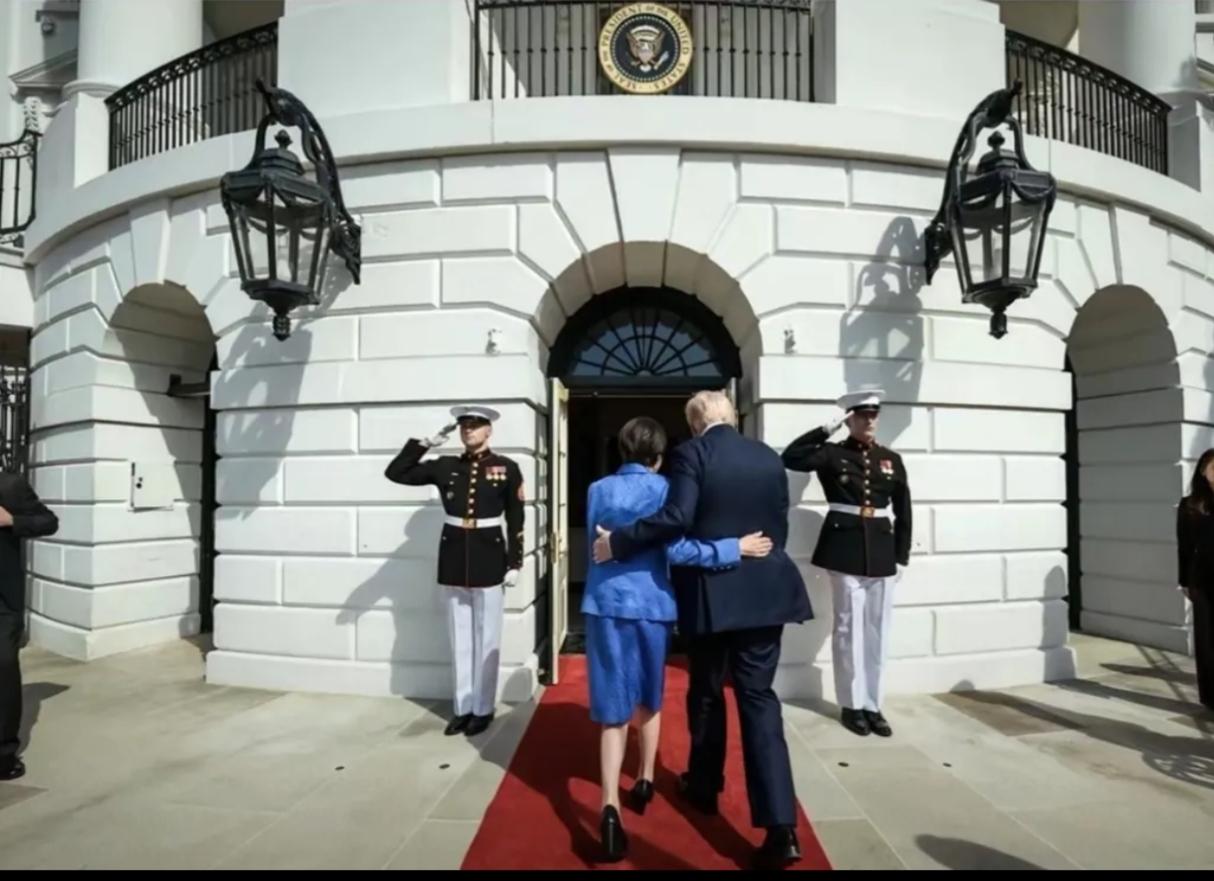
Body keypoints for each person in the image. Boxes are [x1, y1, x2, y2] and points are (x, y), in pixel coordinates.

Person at [592, 391, 811, 870]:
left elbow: (677, 518)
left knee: (708, 692)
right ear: (731, 415)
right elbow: (780, 523)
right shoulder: (768, 456)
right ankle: (781, 829)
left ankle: (705, 787)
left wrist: (620, 542)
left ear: (694, 425)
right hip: (767, 591)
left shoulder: (692, 454)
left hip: (713, 595)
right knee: (758, 699)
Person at [384, 404, 524, 738]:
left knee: (486, 636)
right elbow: (396, 473)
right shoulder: (445, 465)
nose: (468, 431)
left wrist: (515, 561)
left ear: (489, 431)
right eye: (464, 426)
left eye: (475, 426)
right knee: (459, 637)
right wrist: (425, 443)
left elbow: (516, 517)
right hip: (453, 555)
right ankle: (462, 707)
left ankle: (483, 708)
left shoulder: (506, 467)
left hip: (489, 556)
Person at [780, 388, 912, 739]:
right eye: (862, 415)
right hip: (844, 549)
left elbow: (904, 510)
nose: (870, 420)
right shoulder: (832, 454)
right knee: (847, 630)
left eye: (874, 415)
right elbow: (791, 457)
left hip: (882, 550)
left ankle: (873, 704)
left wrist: (901, 556)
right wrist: (826, 429)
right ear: (850, 418)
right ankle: (852, 705)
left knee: (877, 632)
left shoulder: (891, 459)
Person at [1, 470, 60, 782]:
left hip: (1, 602)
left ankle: (3, 755)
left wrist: (11, 521)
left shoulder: (9, 486)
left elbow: (48, 522)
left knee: (4, 667)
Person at [1177, 448, 1214, 711]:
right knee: (1206, 639)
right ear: (1203, 471)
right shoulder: (1190, 504)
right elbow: (1183, 546)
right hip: (1202, 579)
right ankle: (1210, 696)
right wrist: (1184, 582)